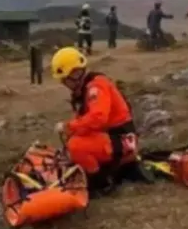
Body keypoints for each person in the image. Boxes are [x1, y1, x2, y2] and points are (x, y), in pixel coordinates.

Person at [51, 46, 138, 194]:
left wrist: (68, 127)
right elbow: (85, 123)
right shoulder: (86, 89)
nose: (64, 85)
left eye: (65, 80)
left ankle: (100, 182)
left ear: (74, 74)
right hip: (114, 139)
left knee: (76, 145)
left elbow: (98, 118)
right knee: (74, 142)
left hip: (121, 141)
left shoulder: (96, 87)